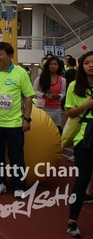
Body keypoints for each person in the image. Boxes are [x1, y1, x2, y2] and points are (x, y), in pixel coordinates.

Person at [0, 41, 35, 198]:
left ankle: (18, 186)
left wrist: (27, 119)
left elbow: (28, 97)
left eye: (1, 54)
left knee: (16, 156)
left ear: (10, 56)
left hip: (14, 123)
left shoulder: (20, 73)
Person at [65, 51, 93, 238]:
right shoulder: (74, 86)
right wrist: (85, 106)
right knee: (82, 180)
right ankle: (72, 221)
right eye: (87, 62)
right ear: (81, 66)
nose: (91, 65)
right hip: (84, 136)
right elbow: (70, 112)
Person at [33, 57, 66, 129]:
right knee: (43, 129)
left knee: (56, 129)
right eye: (51, 64)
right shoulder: (40, 78)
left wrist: (58, 96)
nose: (53, 66)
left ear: (58, 66)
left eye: (55, 64)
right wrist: (44, 95)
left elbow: (63, 93)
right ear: (47, 66)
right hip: (42, 108)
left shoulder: (62, 80)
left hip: (56, 109)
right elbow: (34, 90)